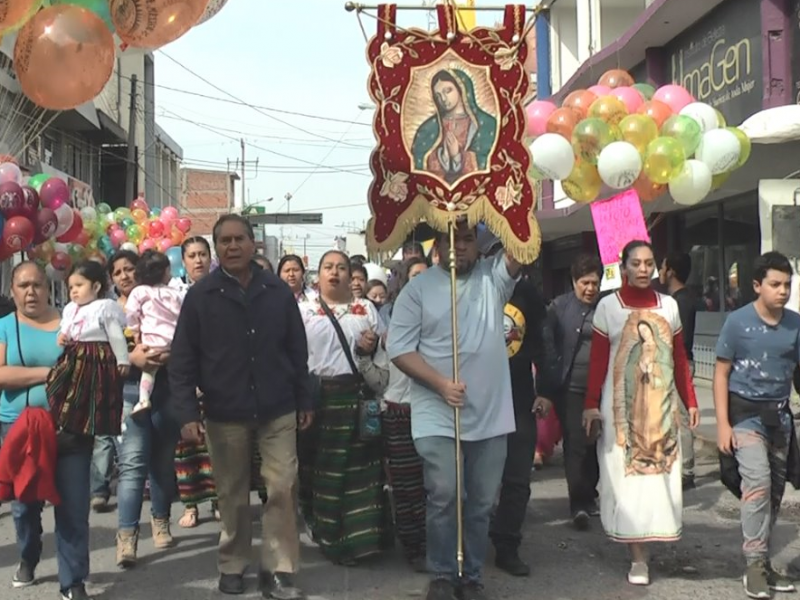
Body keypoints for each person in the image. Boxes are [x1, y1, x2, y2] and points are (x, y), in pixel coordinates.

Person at [170, 214, 312, 599]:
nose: (232, 247)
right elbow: (181, 361)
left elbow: (297, 350)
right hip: (224, 409)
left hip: (277, 405)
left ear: (254, 245)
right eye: (225, 241)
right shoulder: (200, 296)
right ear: (218, 249)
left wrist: (305, 398)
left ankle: (279, 568)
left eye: (239, 240)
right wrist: (185, 414)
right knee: (231, 492)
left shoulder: (277, 292)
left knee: (282, 487)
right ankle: (233, 563)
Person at [388, 220, 521, 600]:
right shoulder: (417, 289)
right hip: (436, 410)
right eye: (451, 240)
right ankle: (443, 573)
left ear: (478, 245)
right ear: (436, 246)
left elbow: (520, 247)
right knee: (445, 493)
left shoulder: (493, 279)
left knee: (480, 502)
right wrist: (441, 385)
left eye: (467, 240)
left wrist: (509, 205)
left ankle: (472, 574)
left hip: (491, 412)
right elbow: (399, 349)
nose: (459, 247)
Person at [582, 240, 699, 587]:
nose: (644, 269)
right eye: (636, 263)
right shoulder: (608, 308)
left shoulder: (670, 307)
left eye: (649, 263)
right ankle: (638, 557)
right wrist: (590, 404)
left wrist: (690, 400)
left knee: (660, 476)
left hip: (661, 409)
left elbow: (678, 358)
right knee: (627, 478)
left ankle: (654, 534)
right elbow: (600, 361)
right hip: (622, 410)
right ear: (624, 267)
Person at [0, 262, 93, 600]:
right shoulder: (5, 327)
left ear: (48, 287)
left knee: (73, 506)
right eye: (23, 286)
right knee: (25, 506)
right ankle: (28, 554)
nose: (30, 292)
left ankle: (73, 581)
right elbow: (1, 376)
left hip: (71, 428)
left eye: (37, 285)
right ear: (12, 290)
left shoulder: (72, 323)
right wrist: (50, 372)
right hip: (19, 428)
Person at [714, 251, 799, 599]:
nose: (783, 291)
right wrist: (722, 424)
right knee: (758, 484)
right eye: (775, 284)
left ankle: (763, 564)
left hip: (779, 420)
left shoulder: (795, 324)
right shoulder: (737, 322)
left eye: (788, 285)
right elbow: (720, 373)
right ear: (756, 285)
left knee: (775, 496)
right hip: (745, 416)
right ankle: (753, 566)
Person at [298, 250, 391, 566]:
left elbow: (383, 354)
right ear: (318, 274)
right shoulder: (303, 310)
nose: (335, 272)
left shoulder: (365, 308)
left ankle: (365, 540)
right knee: (325, 471)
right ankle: (330, 537)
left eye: (341, 267)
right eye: (328, 267)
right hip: (319, 399)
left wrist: (371, 345)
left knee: (363, 471)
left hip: (360, 397)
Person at [489, 253, 558, 577]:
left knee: (517, 478)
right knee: (477, 481)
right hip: (478, 400)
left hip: (519, 398)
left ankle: (507, 545)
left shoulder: (529, 294)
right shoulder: (479, 287)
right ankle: (472, 542)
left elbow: (544, 345)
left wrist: (545, 390)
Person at [110, 250, 180, 568]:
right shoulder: (107, 311)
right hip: (129, 392)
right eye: (118, 272)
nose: (125, 275)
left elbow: (186, 336)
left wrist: (168, 355)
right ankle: (127, 537)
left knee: (163, 461)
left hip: (167, 390)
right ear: (111, 279)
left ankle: (161, 519)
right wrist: (130, 358)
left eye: (129, 269)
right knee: (133, 464)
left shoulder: (164, 298)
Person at [548, 254, 603, 530]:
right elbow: (548, 343)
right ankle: (578, 502)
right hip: (570, 387)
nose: (590, 289)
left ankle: (590, 492)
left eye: (595, 283)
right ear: (574, 282)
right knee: (576, 444)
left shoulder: (607, 308)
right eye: (585, 283)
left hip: (602, 388)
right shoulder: (560, 308)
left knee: (595, 444)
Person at [382, 258, 428, 571]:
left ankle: (442, 543)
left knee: (440, 486)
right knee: (408, 486)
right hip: (400, 412)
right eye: (414, 277)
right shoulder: (392, 322)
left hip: (438, 409)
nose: (422, 283)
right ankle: (414, 546)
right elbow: (378, 374)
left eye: (428, 276)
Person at [48, 261, 129, 437]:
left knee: (94, 392)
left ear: (96, 286)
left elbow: (116, 335)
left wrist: (122, 358)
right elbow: (65, 329)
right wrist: (61, 336)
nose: (74, 291)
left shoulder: (104, 307)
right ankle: (65, 419)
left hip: (96, 356)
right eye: (71, 287)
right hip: (74, 354)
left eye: (79, 285)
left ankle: (91, 424)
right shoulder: (70, 309)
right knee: (58, 383)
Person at [411, 69, 497, 183]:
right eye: (438, 96)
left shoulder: (487, 124)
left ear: (461, 89)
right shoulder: (428, 128)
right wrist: (442, 156)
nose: (443, 99)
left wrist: (457, 156)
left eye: (448, 91)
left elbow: (490, 161)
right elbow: (418, 162)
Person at [125, 250, 185, 415]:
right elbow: (182, 314)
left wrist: (135, 330)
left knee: (148, 371)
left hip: (151, 342)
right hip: (172, 342)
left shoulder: (140, 292)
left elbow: (131, 312)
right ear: (166, 271)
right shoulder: (175, 294)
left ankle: (144, 399)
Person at [659, 252, 698, 490]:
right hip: (673, 363)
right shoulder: (678, 299)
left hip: (679, 364)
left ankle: (687, 471)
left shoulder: (679, 302)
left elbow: (679, 341)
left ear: (671, 270)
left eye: (662, 266)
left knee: (682, 417)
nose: (660, 272)